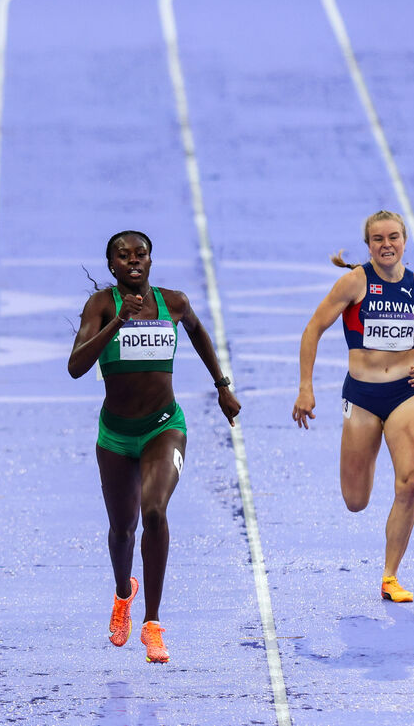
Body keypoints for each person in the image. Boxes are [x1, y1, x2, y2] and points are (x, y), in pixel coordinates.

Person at [68, 231, 240, 664]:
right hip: (116, 435)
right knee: (122, 529)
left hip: (165, 427)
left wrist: (222, 387)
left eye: (139, 255)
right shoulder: (102, 306)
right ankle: (123, 594)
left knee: (155, 511)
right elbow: (75, 367)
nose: (132, 262)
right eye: (122, 257)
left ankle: (153, 624)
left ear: (150, 260)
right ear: (111, 267)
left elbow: (199, 332)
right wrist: (118, 322)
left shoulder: (173, 303)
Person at [292, 210, 414, 603]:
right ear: (369, 245)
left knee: (410, 483)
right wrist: (305, 388)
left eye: (393, 237)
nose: (387, 245)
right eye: (378, 239)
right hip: (361, 397)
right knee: (356, 501)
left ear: (405, 241)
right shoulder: (354, 283)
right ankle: (370, 449)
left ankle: (390, 576)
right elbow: (312, 330)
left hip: (405, 393)